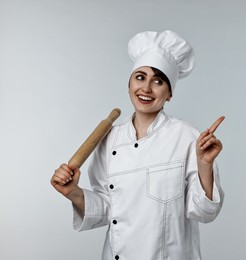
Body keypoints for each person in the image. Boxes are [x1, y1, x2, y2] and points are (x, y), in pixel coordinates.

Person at [50, 30, 225, 260]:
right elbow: (107, 208)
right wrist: (73, 193)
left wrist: (204, 165)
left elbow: (203, 212)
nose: (146, 88)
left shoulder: (186, 136)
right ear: (129, 83)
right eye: (140, 77)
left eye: (158, 81)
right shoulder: (109, 140)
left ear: (169, 93)